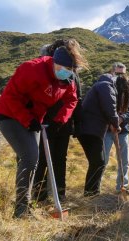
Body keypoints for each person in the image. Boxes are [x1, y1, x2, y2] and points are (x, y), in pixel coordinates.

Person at [0, 40, 88, 218]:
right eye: (63, 67)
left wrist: (61, 119)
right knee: (30, 157)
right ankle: (21, 210)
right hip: (9, 115)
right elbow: (12, 96)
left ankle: (26, 204)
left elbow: (72, 100)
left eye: (70, 69)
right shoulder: (32, 68)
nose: (66, 72)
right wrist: (28, 120)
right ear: (53, 61)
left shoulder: (67, 78)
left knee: (33, 160)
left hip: (35, 119)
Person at [33, 40, 84, 203]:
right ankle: (40, 196)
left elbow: (76, 100)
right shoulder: (43, 69)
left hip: (61, 123)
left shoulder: (71, 72)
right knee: (44, 159)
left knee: (56, 159)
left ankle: (57, 194)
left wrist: (74, 124)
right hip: (44, 123)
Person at [78, 73, 120, 197]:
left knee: (96, 162)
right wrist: (116, 123)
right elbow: (110, 107)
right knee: (98, 162)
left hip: (87, 129)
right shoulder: (106, 86)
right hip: (91, 130)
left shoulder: (98, 85)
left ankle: (91, 192)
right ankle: (91, 193)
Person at [103, 62, 129, 194]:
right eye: (117, 73)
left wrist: (122, 118)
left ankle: (122, 186)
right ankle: (95, 187)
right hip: (106, 130)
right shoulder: (105, 88)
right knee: (103, 159)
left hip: (123, 131)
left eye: (122, 74)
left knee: (124, 161)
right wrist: (111, 120)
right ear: (111, 72)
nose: (120, 77)